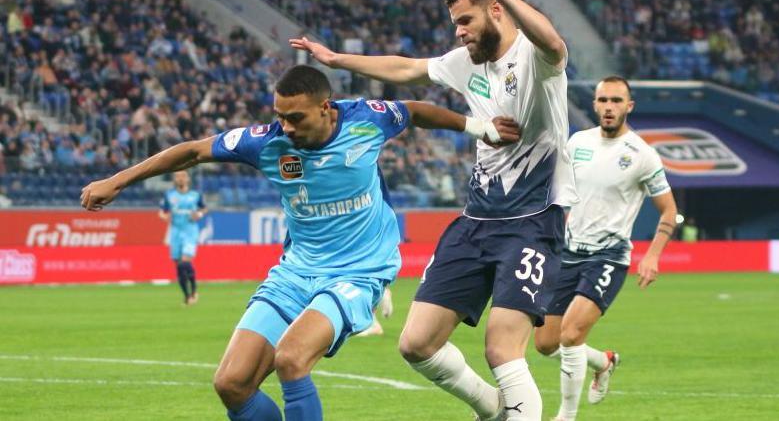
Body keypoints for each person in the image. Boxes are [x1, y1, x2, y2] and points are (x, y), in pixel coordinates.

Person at [80, 65, 520, 421]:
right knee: (231, 384)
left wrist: (479, 127)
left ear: (326, 108)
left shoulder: (367, 119)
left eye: (296, 117)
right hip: (295, 272)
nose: (285, 126)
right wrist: (118, 181)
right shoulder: (266, 143)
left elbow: (417, 110)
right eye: (279, 116)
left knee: (292, 359)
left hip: (358, 272)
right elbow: (193, 151)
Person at [291, 0, 571, 419]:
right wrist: (337, 60)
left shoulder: (535, 59)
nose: (459, 33)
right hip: (477, 220)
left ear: (496, 11)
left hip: (533, 221)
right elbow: (405, 67)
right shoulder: (466, 63)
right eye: (455, 24)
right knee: (416, 343)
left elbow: (556, 43)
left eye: (466, 21)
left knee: (502, 349)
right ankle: (491, 408)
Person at [533, 76, 678, 421]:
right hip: (569, 252)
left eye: (616, 101)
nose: (609, 107)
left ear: (629, 106)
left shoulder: (642, 154)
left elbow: (669, 210)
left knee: (570, 335)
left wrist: (653, 256)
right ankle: (604, 361)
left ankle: (565, 417)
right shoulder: (577, 142)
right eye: (603, 100)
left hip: (608, 257)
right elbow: (557, 192)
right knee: (545, 344)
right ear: (594, 104)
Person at [159, 170, 206, 305]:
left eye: (183, 176)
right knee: (179, 266)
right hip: (175, 232)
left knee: (185, 261)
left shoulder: (195, 195)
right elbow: (162, 212)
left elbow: (203, 208)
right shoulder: (169, 195)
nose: (180, 178)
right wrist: (164, 216)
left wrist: (199, 215)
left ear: (188, 179)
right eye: (177, 176)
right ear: (174, 179)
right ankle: (187, 296)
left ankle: (194, 291)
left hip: (190, 231)